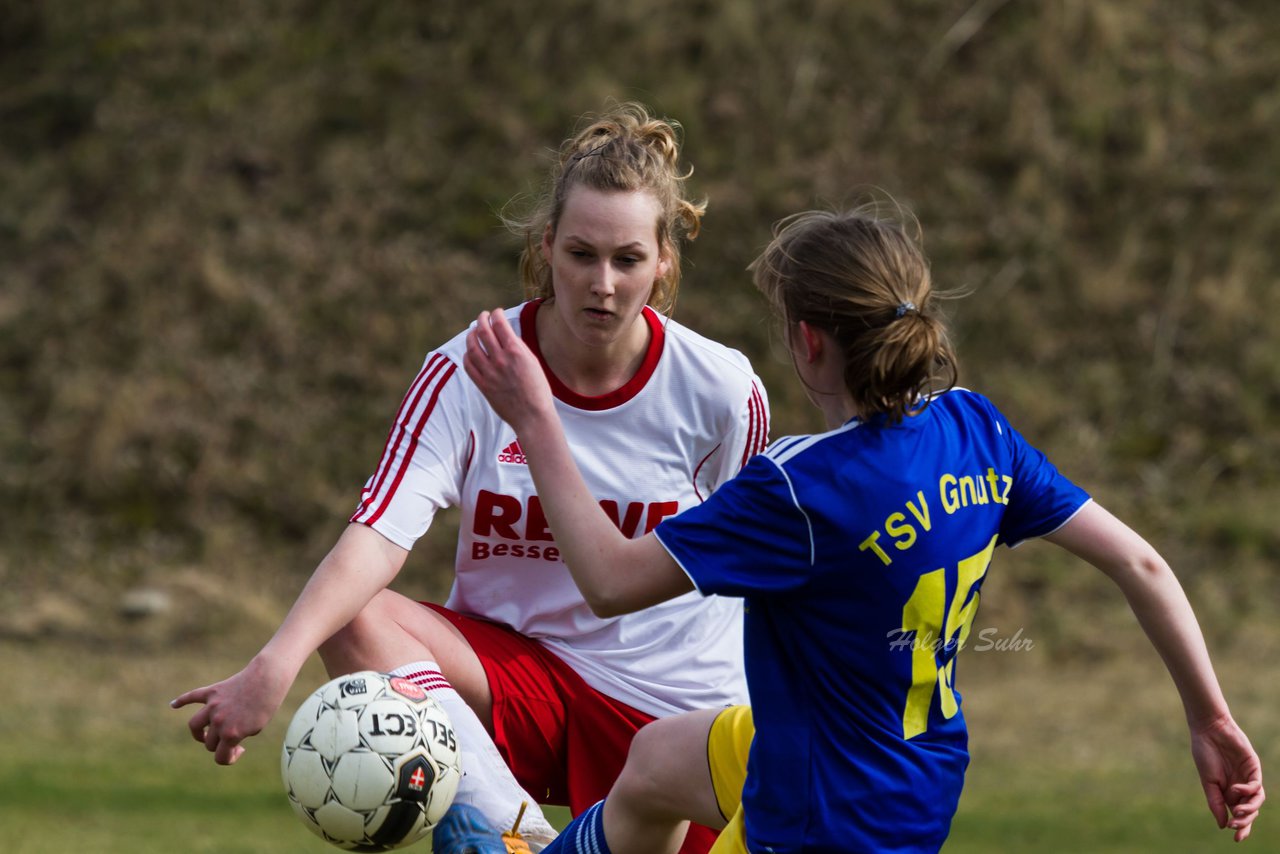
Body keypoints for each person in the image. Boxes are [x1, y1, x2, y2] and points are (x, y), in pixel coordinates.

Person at [462, 202, 1266, 853]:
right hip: (912, 778)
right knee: (655, 762)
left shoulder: (804, 489)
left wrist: (536, 419)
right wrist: (1211, 719)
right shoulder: (975, 430)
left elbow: (609, 581)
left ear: (808, 342)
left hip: (818, 821)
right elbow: (1144, 566)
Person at [171, 103, 770, 854]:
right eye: (582, 254)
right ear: (546, 247)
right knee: (353, 617)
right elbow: (380, 531)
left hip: (673, 710)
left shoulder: (719, 389)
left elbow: (752, 579)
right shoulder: (468, 368)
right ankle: (511, 835)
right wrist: (275, 664)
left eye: (628, 260)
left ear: (665, 262)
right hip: (519, 686)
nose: (603, 284)